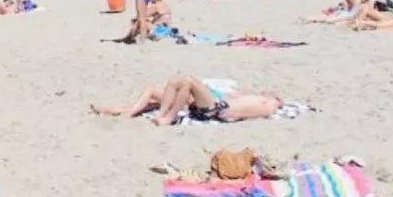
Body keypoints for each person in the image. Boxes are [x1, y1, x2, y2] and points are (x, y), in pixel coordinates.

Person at [90, 77, 284, 126]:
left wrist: (230, 113)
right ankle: (115, 110)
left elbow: (239, 113)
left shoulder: (266, 106)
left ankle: (165, 117)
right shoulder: (260, 99)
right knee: (177, 82)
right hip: (215, 104)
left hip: (216, 109)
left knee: (189, 81)